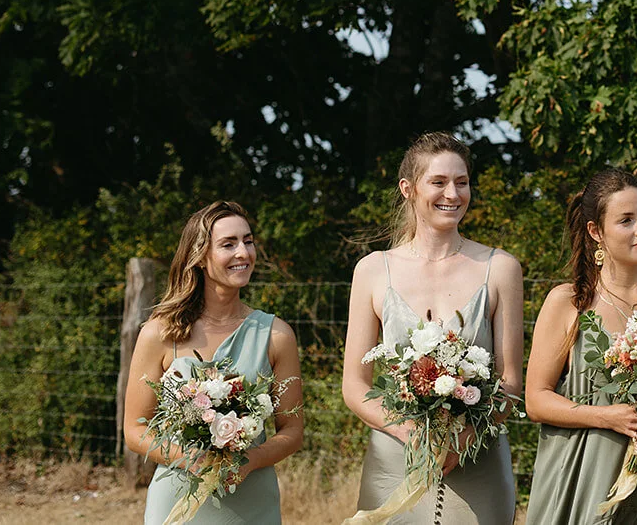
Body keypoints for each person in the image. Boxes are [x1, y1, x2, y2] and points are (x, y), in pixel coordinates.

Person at [343, 132, 524, 525]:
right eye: (438, 182)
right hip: (396, 457)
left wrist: (464, 439)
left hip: (478, 458)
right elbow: (354, 386)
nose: (453, 194)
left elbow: (510, 381)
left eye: (462, 182)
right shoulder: (372, 270)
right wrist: (410, 433)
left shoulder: (501, 268)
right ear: (408, 188)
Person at [524, 169, 637, 525]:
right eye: (626, 220)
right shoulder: (568, 302)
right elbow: (536, 400)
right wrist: (607, 416)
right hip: (584, 477)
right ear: (596, 231)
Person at [123, 201, 304, 525]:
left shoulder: (277, 335)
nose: (243, 253)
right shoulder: (160, 333)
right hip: (178, 500)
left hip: (252, 503)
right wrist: (189, 458)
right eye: (228, 244)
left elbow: (292, 430)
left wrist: (250, 459)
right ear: (200, 256)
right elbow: (134, 430)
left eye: (248, 241)